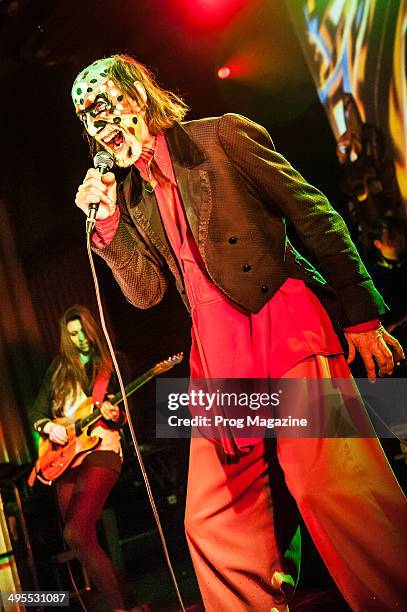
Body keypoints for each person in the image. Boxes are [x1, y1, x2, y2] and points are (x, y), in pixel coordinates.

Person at [72, 55, 407, 611]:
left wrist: (362, 315)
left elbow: (315, 212)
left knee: (331, 488)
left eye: (107, 108)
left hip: (281, 320)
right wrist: (107, 223)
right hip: (219, 354)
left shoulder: (221, 137)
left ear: (138, 98)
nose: (101, 128)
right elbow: (147, 292)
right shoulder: (129, 196)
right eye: (87, 120)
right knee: (212, 520)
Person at [30, 305, 130, 612]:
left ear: (91, 329)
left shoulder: (112, 362)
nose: (79, 339)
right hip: (66, 457)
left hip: (101, 449)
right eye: (72, 335)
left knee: (76, 530)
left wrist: (116, 415)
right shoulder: (59, 369)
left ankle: (119, 609)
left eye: (82, 332)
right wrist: (48, 427)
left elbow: (126, 413)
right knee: (79, 538)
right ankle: (129, 603)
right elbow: (37, 411)